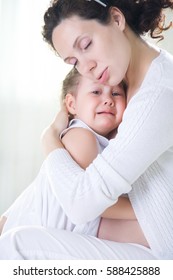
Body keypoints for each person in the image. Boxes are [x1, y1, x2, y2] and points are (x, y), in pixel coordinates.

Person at [0, 0, 173, 259]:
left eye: (86, 45)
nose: (86, 66)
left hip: (161, 243)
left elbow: (82, 205)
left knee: (16, 245)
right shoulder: (123, 79)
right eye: (73, 61)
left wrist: (49, 139)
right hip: (128, 230)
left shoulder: (160, 92)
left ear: (116, 19)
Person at [0, 68, 148, 247]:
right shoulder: (81, 137)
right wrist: (147, 209)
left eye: (116, 93)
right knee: (154, 230)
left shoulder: (102, 141)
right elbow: (94, 202)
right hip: (55, 227)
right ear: (72, 104)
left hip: (78, 225)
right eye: (96, 92)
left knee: (155, 236)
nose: (108, 100)